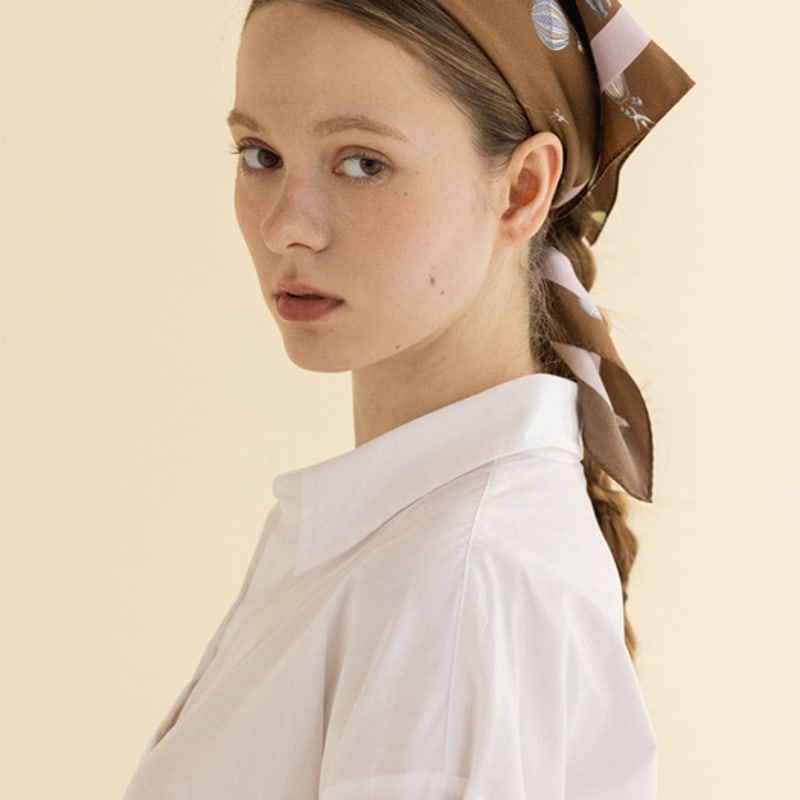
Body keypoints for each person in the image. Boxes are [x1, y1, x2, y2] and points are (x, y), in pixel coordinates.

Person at [124, 1, 692, 797]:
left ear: (522, 189)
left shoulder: (455, 588)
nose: (287, 226)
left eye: (363, 163)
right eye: (260, 154)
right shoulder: (413, 548)